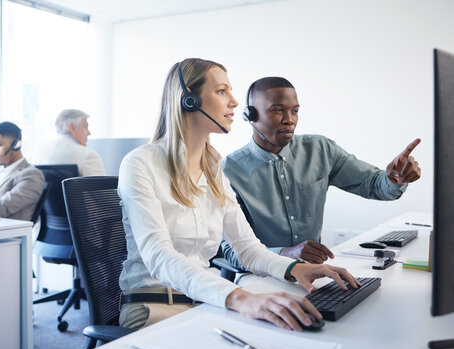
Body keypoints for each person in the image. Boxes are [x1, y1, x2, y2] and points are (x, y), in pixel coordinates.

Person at [117, 58, 360, 332]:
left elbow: (247, 249)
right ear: (189, 100)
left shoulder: (214, 170)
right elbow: (159, 256)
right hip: (156, 309)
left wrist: (295, 268)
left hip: (204, 304)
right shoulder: (140, 164)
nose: (234, 102)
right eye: (221, 91)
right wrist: (240, 298)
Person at [221, 77, 421, 266]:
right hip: (261, 278)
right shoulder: (229, 171)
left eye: (295, 111)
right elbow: (230, 251)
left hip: (314, 272)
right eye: (277, 110)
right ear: (250, 115)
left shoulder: (320, 149)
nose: (289, 120)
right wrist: (284, 253)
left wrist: (395, 179)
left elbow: (373, 184)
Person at [32, 109, 106, 176]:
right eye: (85, 127)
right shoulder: (88, 155)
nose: (89, 133)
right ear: (71, 127)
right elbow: (103, 189)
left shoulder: (40, 151)